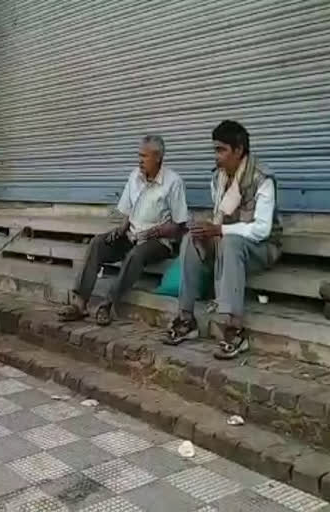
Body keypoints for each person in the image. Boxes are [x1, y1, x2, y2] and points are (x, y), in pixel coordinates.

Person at [165, 121, 281, 359]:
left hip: (262, 248)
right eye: (214, 150)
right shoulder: (217, 178)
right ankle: (186, 319)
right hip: (228, 246)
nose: (216, 156)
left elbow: (261, 230)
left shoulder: (262, 179)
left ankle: (233, 328)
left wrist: (219, 230)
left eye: (221, 150)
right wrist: (207, 231)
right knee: (191, 238)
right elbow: (219, 217)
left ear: (238, 150)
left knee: (230, 241)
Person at [59, 135, 188, 326]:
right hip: (131, 235)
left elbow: (179, 225)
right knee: (98, 243)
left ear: (158, 157)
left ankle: (107, 304)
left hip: (159, 242)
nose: (140, 160)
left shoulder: (173, 182)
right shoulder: (134, 176)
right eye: (139, 155)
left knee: (136, 254)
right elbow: (128, 210)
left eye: (144, 156)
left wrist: (156, 232)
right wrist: (121, 228)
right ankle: (80, 304)